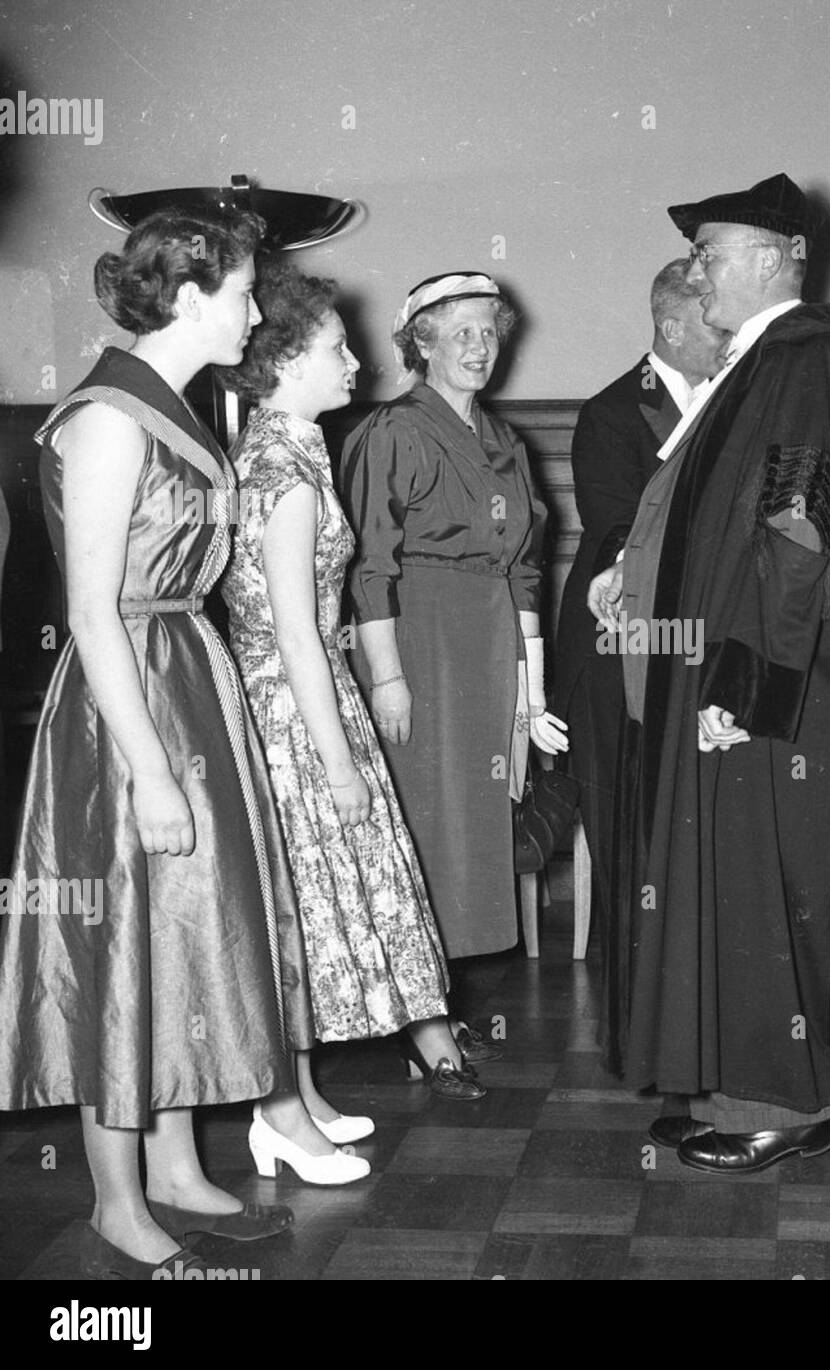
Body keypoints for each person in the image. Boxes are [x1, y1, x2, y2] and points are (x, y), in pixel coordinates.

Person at [0, 207, 314, 1277]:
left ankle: (177, 1169)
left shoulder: (167, 407)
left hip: (185, 681)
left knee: (186, 928)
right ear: (186, 297)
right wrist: (145, 770)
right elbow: (91, 611)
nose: (257, 311)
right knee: (122, 942)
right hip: (124, 702)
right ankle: (116, 1199)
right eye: (241, 292)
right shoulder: (107, 418)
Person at [589, 172, 830, 1174]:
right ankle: (723, 1082)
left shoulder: (806, 368)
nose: (697, 273)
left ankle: (784, 1101)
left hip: (762, 690)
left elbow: (800, 536)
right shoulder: (758, 366)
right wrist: (630, 583)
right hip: (717, 672)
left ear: (772, 260)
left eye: (712, 255)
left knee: (767, 886)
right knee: (720, 882)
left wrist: (746, 688)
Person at [221, 263, 478, 1133]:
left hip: (303, 694)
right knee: (302, 899)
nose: (356, 364)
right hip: (298, 706)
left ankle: (292, 1102)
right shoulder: (285, 469)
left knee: (303, 901)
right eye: (336, 348)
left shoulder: (286, 445)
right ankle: (280, 1110)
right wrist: (338, 765)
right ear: (289, 358)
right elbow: (297, 634)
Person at [340, 273, 566, 1072]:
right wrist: (389, 677)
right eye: (458, 331)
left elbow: (528, 571)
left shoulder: (507, 441)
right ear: (421, 342)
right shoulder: (392, 430)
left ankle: (431, 1006)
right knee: (424, 830)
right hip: (420, 641)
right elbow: (370, 565)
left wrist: (529, 691)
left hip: (489, 642)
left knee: (470, 834)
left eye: (488, 331)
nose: (478, 346)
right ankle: (425, 1028)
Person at [553, 259, 729, 1073]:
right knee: (624, 826)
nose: (727, 334)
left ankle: (683, 992)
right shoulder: (610, 414)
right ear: (671, 326)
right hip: (616, 649)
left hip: (691, 650)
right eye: (713, 322)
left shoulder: (733, 399)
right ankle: (631, 1013)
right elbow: (626, 535)